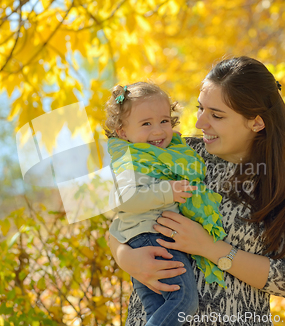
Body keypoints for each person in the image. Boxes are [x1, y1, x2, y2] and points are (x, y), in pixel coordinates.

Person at [107, 57, 285, 326]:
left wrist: (209, 247)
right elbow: (117, 212)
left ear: (256, 123)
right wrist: (127, 258)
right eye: (200, 108)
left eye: (216, 115)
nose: (200, 122)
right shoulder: (178, 152)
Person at [104, 82, 227, 326]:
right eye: (146, 123)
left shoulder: (169, 152)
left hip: (148, 237)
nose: (158, 131)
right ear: (122, 132)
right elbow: (123, 201)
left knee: (156, 310)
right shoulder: (128, 160)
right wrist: (166, 192)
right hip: (149, 237)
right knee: (183, 302)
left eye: (164, 121)